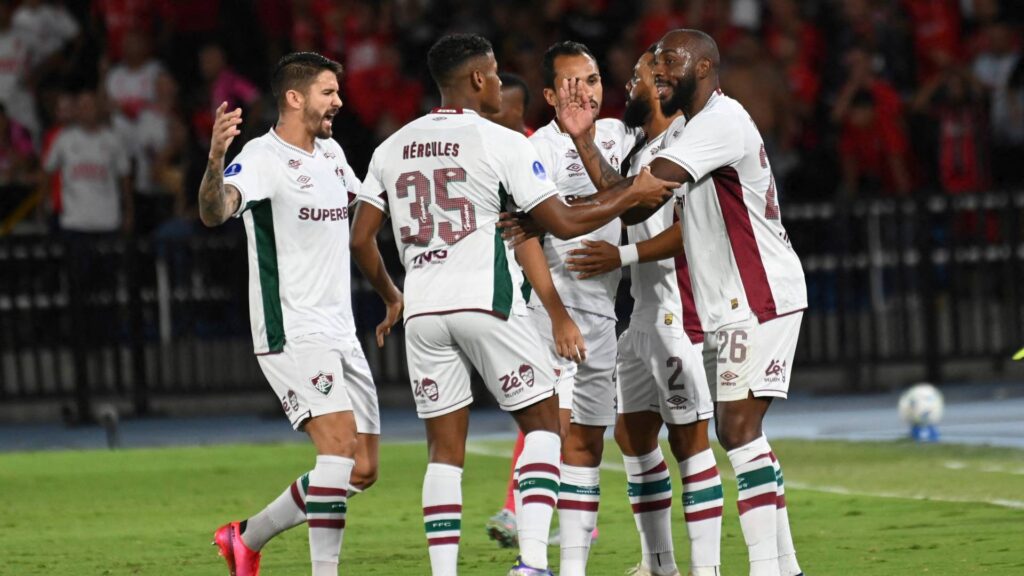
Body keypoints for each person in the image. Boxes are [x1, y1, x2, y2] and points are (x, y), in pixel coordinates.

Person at [349, 33, 676, 576]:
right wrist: (633, 195)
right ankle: (531, 561)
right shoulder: (505, 143)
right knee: (547, 426)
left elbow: (361, 239)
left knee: (444, 452)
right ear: (477, 79)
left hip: (424, 311)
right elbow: (564, 223)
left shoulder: (391, 145)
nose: (502, 83)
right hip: (488, 303)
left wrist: (391, 295)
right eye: (497, 73)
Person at [540, 29, 807, 576]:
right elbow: (637, 206)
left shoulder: (719, 123)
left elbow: (642, 202)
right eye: (652, 63)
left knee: (734, 432)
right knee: (734, 435)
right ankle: (783, 566)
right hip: (727, 301)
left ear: (704, 67)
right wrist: (584, 146)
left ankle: (762, 568)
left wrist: (556, 217)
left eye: (666, 62)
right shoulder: (688, 131)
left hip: (757, 293)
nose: (656, 72)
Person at [198, 52, 381, 576]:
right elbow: (214, 212)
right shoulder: (261, 157)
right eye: (329, 91)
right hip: (291, 328)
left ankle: (245, 537)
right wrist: (214, 161)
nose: (339, 101)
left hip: (340, 330)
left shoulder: (333, 153)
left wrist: (392, 293)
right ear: (295, 97)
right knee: (339, 448)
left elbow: (363, 217)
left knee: (362, 469)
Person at [563, 46, 722, 576]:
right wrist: (583, 139)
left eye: (634, 80)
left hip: (683, 310)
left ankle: (707, 568)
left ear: (659, 85)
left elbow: (691, 228)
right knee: (632, 434)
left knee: (690, 440)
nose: (625, 88)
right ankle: (659, 564)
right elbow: (627, 196)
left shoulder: (687, 142)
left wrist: (622, 254)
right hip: (646, 313)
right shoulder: (641, 148)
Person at [527, 40, 641, 576]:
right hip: (555, 310)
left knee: (589, 445)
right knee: (556, 430)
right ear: (550, 94)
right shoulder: (536, 150)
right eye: (571, 84)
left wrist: (586, 143)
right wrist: (557, 316)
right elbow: (526, 237)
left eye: (591, 81)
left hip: (603, 311)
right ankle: (530, 560)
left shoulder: (621, 137)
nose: (584, 93)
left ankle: (571, 569)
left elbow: (629, 200)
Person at [481, 69, 539, 549]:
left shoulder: (537, 151)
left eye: (515, 112)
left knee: (546, 409)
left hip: (550, 294)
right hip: (510, 295)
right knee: (542, 410)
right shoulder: (480, 152)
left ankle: (519, 508)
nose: (508, 119)